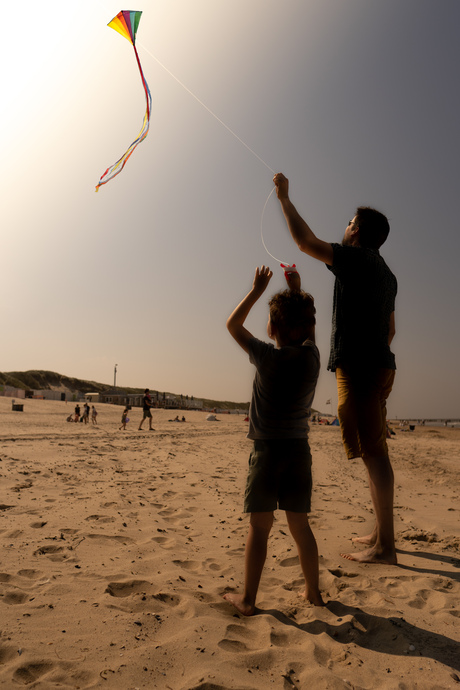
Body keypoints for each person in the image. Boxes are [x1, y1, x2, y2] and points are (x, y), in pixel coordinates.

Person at [273, 172, 397, 565]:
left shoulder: (357, 259)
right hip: (379, 366)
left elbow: (305, 242)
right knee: (372, 449)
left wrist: (284, 198)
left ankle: (386, 547)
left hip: (361, 366)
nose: (343, 228)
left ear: (356, 231)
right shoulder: (385, 272)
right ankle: (380, 532)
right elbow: (391, 330)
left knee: (374, 454)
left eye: (347, 223)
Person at [223, 265, 323, 616]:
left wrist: (255, 290)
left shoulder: (267, 356)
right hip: (298, 450)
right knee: (300, 524)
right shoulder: (312, 357)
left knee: (259, 527)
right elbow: (307, 329)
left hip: (266, 452)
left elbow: (233, 325)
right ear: (308, 326)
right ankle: (313, 591)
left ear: (273, 328)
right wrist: (296, 291)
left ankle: (249, 599)